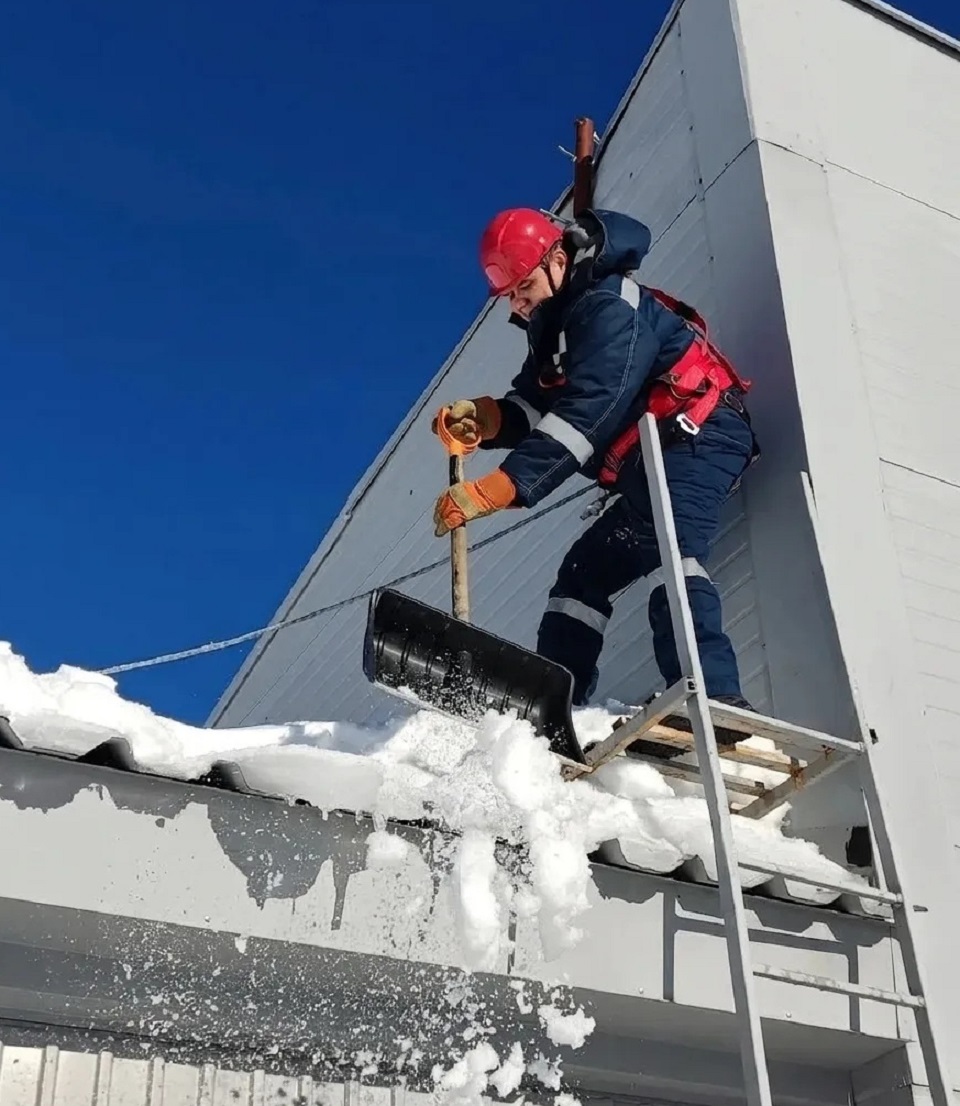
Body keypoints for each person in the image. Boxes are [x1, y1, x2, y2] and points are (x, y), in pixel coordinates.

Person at [431, 206, 760, 755]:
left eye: (525, 285)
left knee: (670, 549)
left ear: (558, 259)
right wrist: (488, 420)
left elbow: (592, 408)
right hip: (645, 464)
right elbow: (536, 404)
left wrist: (502, 487)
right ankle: (555, 710)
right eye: (509, 295)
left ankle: (716, 704)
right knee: (581, 578)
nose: (519, 301)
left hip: (699, 438)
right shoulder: (554, 328)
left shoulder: (609, 306)